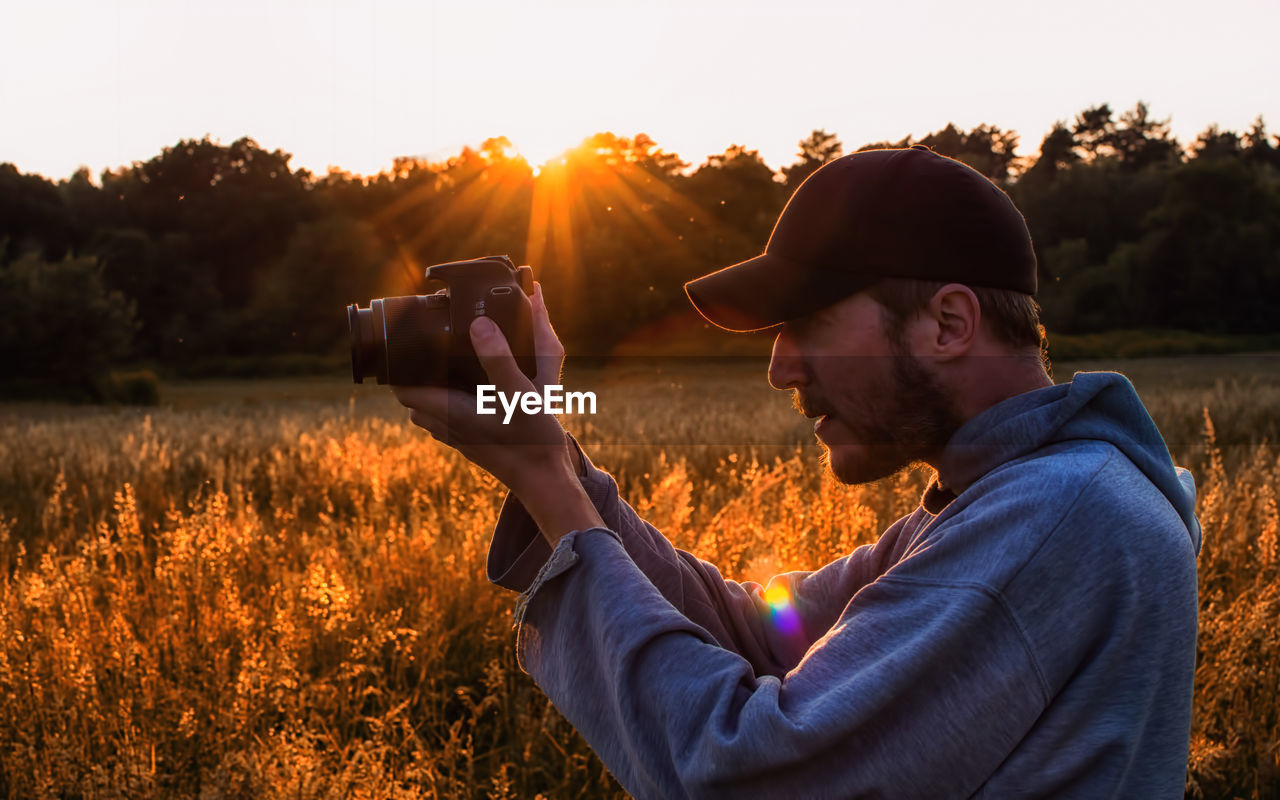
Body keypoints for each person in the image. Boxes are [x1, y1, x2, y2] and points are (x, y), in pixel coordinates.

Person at [392, 146, 1201, 799]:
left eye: (808, 322)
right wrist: (556, 458)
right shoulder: (1012, 498)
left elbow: (741, 774)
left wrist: (553, 490)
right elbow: (762, 636)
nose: (780, 369)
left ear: (950, 323)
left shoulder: (1051, 520)